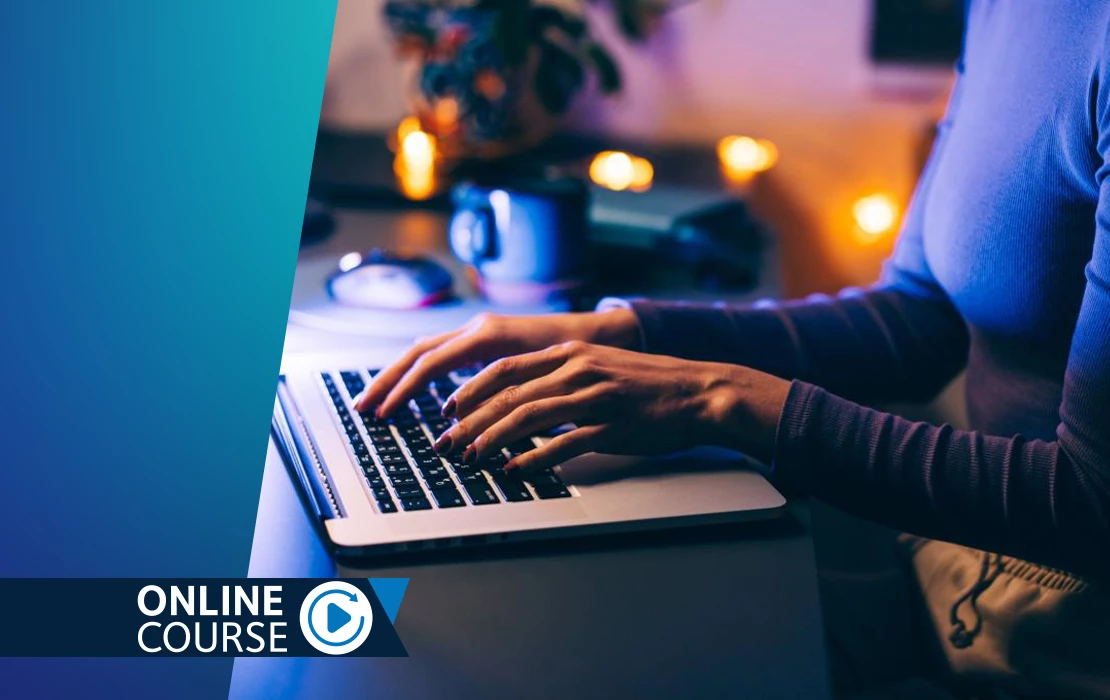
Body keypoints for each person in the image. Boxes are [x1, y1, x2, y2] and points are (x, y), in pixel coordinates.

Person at [357, 2, 1110, 697]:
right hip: (959, 572)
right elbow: (920, 317)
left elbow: (1090, 504)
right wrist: (625, 331)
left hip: (1051, 636)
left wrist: (715, 399)